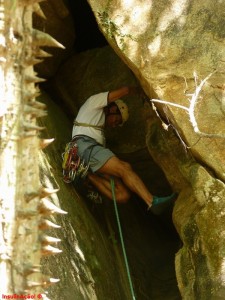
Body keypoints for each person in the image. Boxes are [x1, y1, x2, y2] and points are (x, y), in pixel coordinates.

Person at [72, 86, 176, 209]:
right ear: (112, 108)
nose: (114, 124)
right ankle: (151, 201)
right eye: (116, 120)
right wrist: (137, 90)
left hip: (90, 153)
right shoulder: (94, 103)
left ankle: (86, 174)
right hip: (85, 146)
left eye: (117, 123)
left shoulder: (99, 129)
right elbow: (125, 90)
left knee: (124, 195)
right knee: (125, 168)